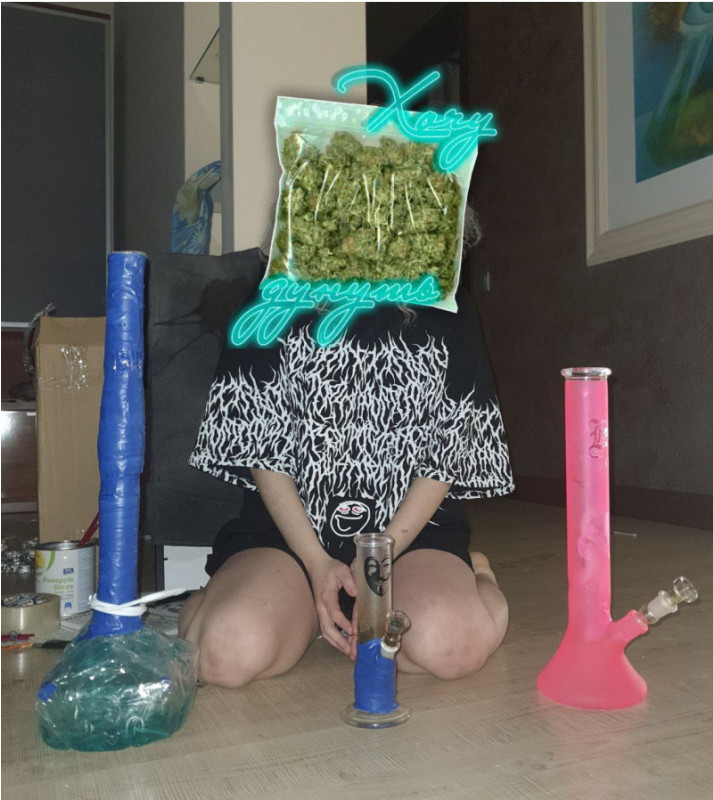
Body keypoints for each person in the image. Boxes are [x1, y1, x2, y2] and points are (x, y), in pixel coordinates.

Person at [178, 222, 514, 688]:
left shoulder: (446, 300)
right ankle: (269, 603)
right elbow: (260, 441)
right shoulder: (273, 293)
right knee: (224, 655)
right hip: (289, 535)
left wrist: (381, 554)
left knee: (451, 647)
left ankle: (478, 574)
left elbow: (450, 448)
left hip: (411, 535)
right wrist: (316, 562)